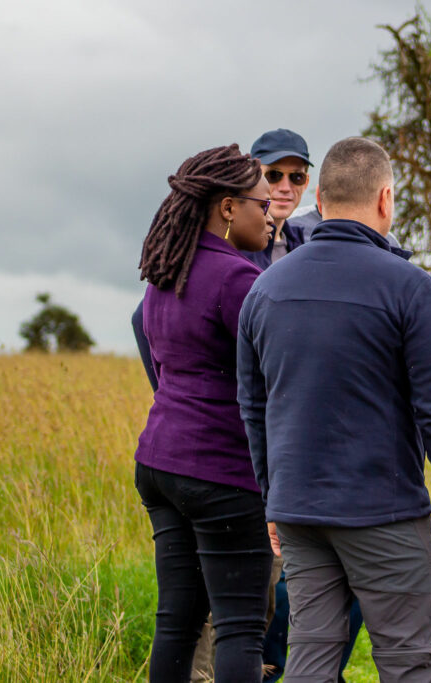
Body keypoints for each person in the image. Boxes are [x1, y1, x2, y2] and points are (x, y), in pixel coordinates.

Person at [237, 136, 431, 683]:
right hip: (384, 512)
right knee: (409, 662)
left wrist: (272, 496)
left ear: (317, 199)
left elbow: (253, 406)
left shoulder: (265, 289)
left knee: (311, 659)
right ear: (386, 199)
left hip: (297, 511)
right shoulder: (412, 288)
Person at [133, 144, 276, 682]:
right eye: (262, 205)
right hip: (222, 471)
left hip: (159, 463)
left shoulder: (165, 272)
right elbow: (273, 374)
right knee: (240, 628)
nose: (270, 217)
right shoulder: (238, 279)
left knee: (177, 622)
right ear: (227, 208)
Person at [241, 128, 313, 267]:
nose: (285, 187)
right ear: (252, 178)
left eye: (297, 177)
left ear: (306, 183)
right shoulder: (236, 246)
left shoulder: (303, 247)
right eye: (273, 175)